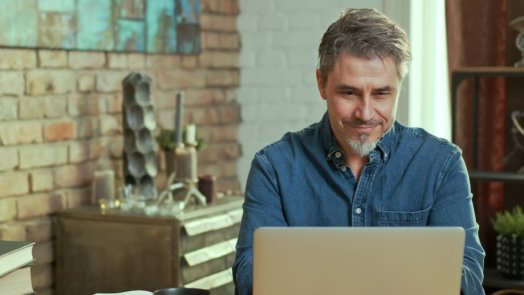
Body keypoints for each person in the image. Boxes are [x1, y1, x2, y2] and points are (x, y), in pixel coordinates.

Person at [232, 8, 485, 295]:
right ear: (321, 83)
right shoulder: (274, 167)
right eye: (349, 93)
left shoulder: (442, 164)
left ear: (399, 88)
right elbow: (249, 277)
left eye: (381, 94)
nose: (365, 114)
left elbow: (469, 281)